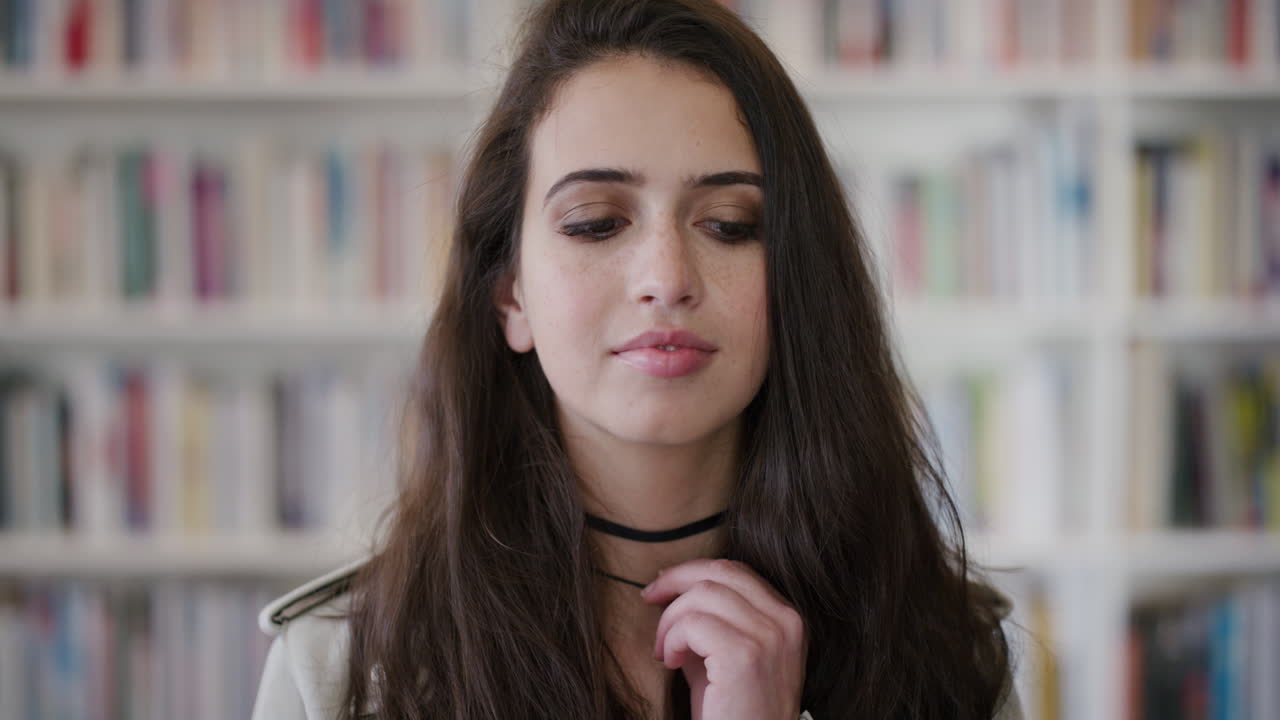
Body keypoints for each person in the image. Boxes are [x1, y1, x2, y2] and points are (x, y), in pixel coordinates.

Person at [251, 1, 1025, 718]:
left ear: (797, 279)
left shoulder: (947, 651)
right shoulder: (339, 671)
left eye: (728, 224)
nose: (667, 278)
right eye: (595, 223)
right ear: (510, 294)